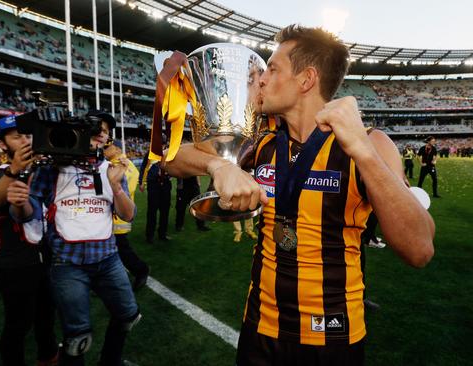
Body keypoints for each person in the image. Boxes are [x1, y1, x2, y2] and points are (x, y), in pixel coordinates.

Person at [164, 24, 435, 366]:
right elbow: (170, 159)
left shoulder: (370, 143)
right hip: (260, 327)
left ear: (306, 80)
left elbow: (420, 249)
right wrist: (217, 166)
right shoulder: (260, 142)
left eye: (273, 69)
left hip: (333, 336)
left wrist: (363, 152)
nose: (261, 79)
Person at [8, 110, 140, 366]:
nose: (103, 135)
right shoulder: (52, 169)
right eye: (97, 129)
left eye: (106, 132)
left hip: (108, 258)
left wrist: (115, 186)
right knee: (77, 336)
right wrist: (19, 203)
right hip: (67, 263)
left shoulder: (110, 169)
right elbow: (26, 214)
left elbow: (128, 215)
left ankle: (110, 361)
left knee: (128, 316)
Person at [0, 115, 58, 365]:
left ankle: (48, 357)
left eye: (28, 135)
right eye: (17, 137)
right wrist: (14, 170)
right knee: (18, 325)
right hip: (14, 263)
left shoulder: (43, 172)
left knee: (46, 319)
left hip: (44, 257)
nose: (25, 141)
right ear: (4, 144)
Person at [105, 140, 150, 292]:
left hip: (115, 216)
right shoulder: (128, 165)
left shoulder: (115, 166)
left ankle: (140, 270)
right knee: (118, 249)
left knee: (122, 250)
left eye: (107, 147)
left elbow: (117, 191)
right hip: (121, 215)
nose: (104, 149)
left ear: (116, 149)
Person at [140, 135, 172, 243]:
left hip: (166, 184)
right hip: (153, 184)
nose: (161, 145)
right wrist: (142, 182)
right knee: (152, 211)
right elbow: (143, 168)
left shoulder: (169, 154)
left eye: (163, 143)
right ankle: (150, 236)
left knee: (165, 211)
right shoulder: (150, 154)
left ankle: (162, 234)